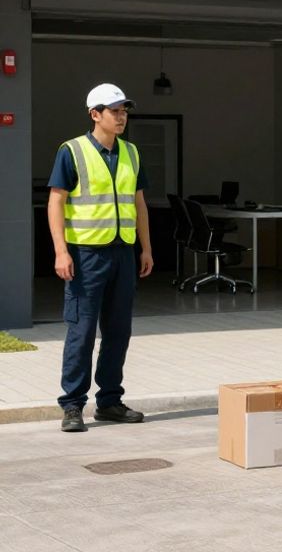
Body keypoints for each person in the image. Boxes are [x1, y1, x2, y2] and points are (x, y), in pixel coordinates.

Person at [48, 84, 154, 433]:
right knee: (81, 330)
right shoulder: (72, 151)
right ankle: (73, 405)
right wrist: (61, 251)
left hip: (123, 252)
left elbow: (138, 203)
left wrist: (146, 248)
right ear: (95, 114)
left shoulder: (132, 153)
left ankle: (109, 401)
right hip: (85, 256)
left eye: (124, 110)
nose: (121, 116)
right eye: (114, 111)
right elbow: (56, 201)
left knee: (118, 331)